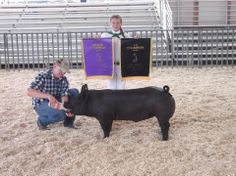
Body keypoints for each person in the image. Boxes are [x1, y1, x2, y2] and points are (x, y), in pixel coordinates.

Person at [27, 59, 79, 130]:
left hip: (55, 100)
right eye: (60, 70)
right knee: (61, 114)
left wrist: (66, 108)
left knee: (74, 92)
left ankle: (68, 123)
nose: (62, 73)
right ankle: (41, 121)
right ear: (54, 66)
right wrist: (48, 96)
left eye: (64, 72)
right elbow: (29, 92)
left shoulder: (63, 79)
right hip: (41, 103)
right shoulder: (43, 75)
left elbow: (64, 94)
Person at [101, 14, 131, 90]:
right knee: (111, 86)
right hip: (109, 64)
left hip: (122, 64)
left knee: (121, 87)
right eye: (113, 23)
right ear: (110, 23)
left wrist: (137, 40)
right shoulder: (105, 35)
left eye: (118, 23)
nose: (115, 25)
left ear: (121, 24)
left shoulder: (126, 36)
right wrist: (95, 39)